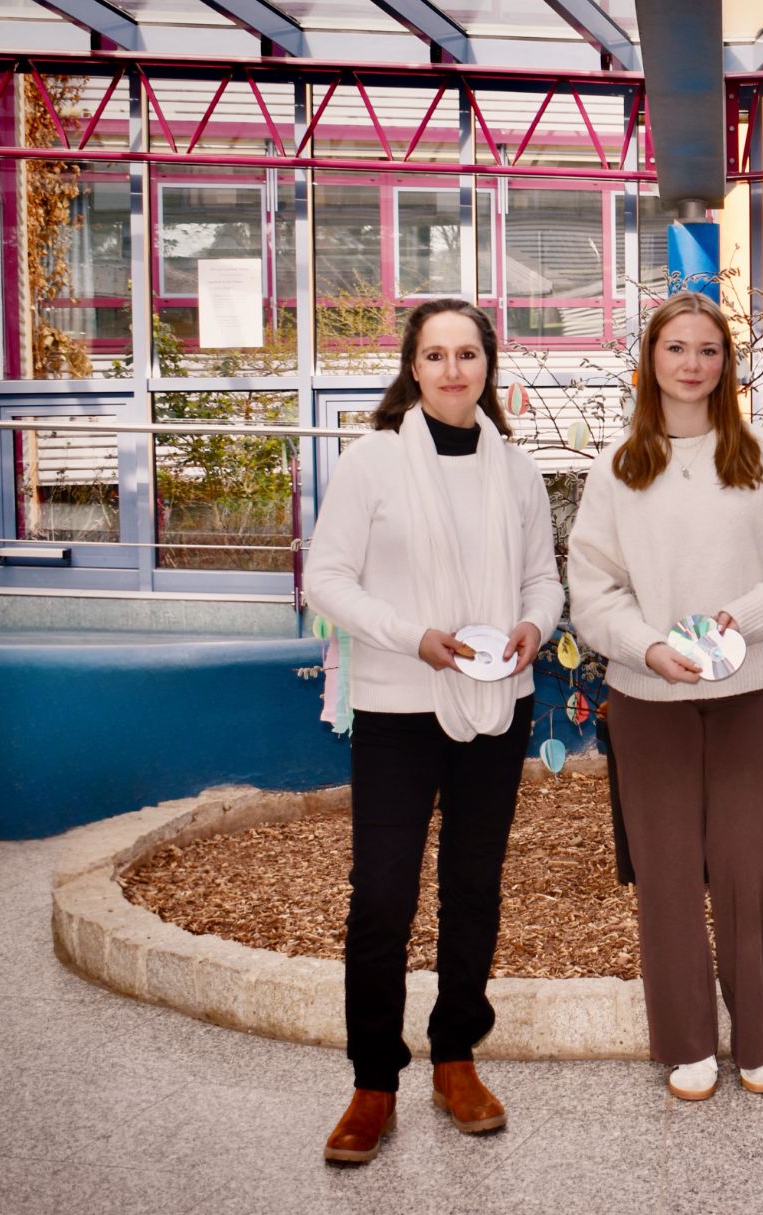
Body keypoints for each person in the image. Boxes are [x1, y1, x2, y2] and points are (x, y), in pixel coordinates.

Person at [304, 299, 564, 1162]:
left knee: (474, 890)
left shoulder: (517, 472)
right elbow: (327, 578)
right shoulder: (372, 463)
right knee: (381, 896)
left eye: (468, 354)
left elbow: (543, 582)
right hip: (395, 705)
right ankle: (373, 1081)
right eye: (435, 355)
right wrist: (411, 637)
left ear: (488, 365)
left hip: (498, 703)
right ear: (412, 369)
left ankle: (456, 1056)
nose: (454, 369)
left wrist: (533, 628)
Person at [567, 290, 763, 1101]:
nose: (691, 363)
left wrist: (738, 619)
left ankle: (755, 1031)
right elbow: (593, 587)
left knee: (754, 864)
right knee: (670, 868)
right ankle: (685, 1041)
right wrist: (648, 646)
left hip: (753, 687)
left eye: (708, 350)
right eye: (676, 348)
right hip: (648, 696)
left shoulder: (761, 458)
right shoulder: (617, 469)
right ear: (651, 360)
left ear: (725, 364)